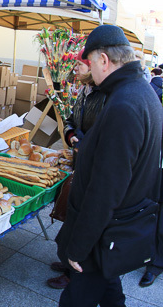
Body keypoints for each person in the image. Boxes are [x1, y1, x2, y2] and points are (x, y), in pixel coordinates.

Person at [55, 25, 163, 307]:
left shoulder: (125, 104)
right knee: (109, 290)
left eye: (90, 63)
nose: (90, 70)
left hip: (106, 230)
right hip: (116, 227)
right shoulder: (141, 92)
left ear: (104, 59)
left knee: (75, 300)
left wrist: (78, 248)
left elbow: (106, 189)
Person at [47, 48, 106, 290]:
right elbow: (71, 118)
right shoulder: (86, 90)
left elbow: (104, 130)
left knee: (82, 214)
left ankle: (74, 271)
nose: (76, 69)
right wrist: (71, 135)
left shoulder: (105, 96)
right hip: (79, 156)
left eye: (80, 66)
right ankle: (67, 259)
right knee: (73, 212)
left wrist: (85, 142)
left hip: (91, 161)